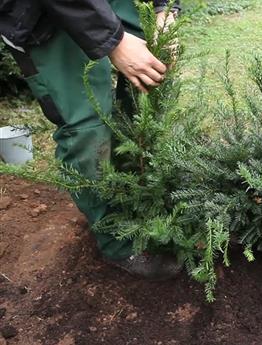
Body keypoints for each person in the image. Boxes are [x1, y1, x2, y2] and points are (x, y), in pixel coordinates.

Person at [0, 0, 182, 280]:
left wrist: (165, 10)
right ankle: (118, 241)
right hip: (41, 13)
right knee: (85, 127)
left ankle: (141, 199)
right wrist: (114, 41)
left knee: (148, 83)